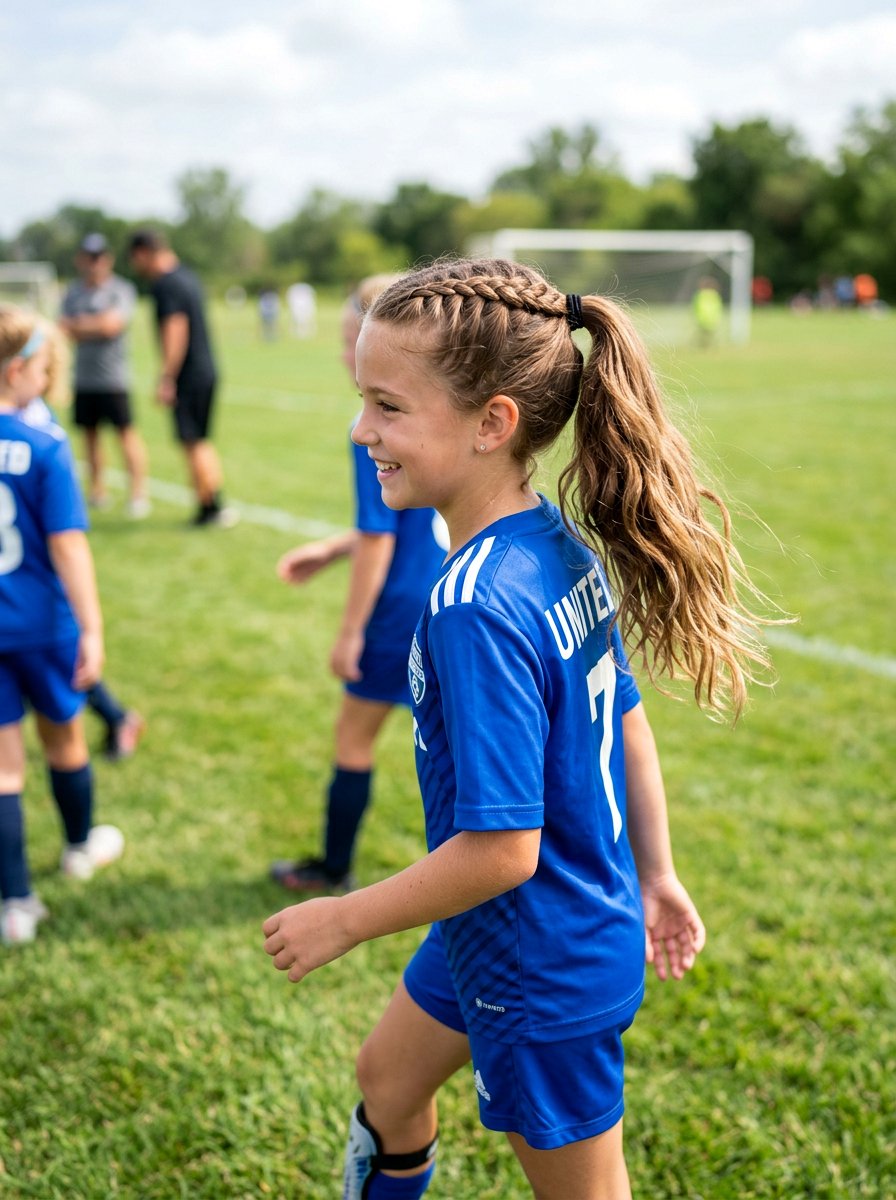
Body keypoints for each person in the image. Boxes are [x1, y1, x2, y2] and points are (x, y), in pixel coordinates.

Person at [263, 259, 773, 1199]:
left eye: (387, 406)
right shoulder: (551, 542)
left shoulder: (473, 605)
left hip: (538, 960)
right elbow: (626, 726)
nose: (359, 428)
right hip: (515, 929)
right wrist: (655, 874)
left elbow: (503, 849)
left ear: (493, 423)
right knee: (388, 1077)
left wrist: (345, 917)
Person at [270, 275, 449, 894]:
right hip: (446, 594)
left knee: (354, 737)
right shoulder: (433, 412)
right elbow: (410, 520)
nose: (345, 355)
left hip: (399, 610)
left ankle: (334, 866)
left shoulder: (369, 425)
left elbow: (380, 538)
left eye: (352, 341)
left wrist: (350, 632)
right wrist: (330, 549)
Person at [0, 307, 124, 947]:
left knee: (3, 771)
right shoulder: (44, 447)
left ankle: (15, 904)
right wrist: (93, 629)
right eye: (45, 369)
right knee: (65, 744)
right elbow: (70, 547)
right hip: (43, 626)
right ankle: (78, 847)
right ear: (18, 370)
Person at [18, 319, 146, 763]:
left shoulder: (37, 426)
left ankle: (115, 717)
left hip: (36, 574)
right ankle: (115, 716)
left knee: (62, 658)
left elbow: (64, 534)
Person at [127, 229, 236, 528]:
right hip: (205, 370)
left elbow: (176, 328)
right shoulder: (187, 276)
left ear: (143, 253)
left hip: (189, 375)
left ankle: (209, 507)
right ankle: (211, 502)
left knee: (192, 441)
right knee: (199, 439)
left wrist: (167, 376)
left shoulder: (166, 284)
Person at [58, 233, 149, 517]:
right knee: (90, 437)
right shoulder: (73, 292)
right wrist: (93, 325)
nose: (94, 263)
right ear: (80, 259)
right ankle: (97, 491)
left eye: (99, 257)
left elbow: (112, 326)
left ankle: (138, 494)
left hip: (113, 378)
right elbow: (62, 327)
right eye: (89, 257)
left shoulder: (120, 289)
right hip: (83, 378)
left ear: (107, 259)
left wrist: (80, 325)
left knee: (126, 435)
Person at [692, 276, 723, 347]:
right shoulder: (714, 295)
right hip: (711, 319)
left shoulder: (700, 295)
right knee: (709, 335)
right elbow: (718, 307)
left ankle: (703, 345)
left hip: (702, 319)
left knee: (703, 335)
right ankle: (709, 345)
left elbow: (696, 307)